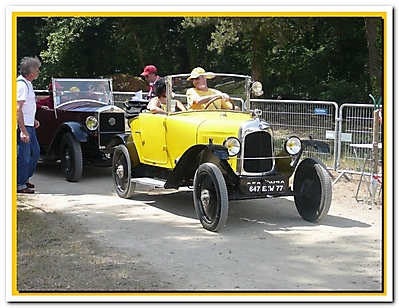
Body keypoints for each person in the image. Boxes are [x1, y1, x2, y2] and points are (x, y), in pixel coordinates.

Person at [16, 56, 42, 193]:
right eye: (37, 70)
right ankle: (19, 183)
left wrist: (33, 119)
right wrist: (22, 130)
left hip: (29, 124)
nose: (38, 73)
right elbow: (18, 108)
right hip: (24, 126)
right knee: (25, 155)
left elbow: (28, 107)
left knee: (35, 152)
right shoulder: (21, 85)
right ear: (31, 72)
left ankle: (24, 178)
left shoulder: (27, 83)